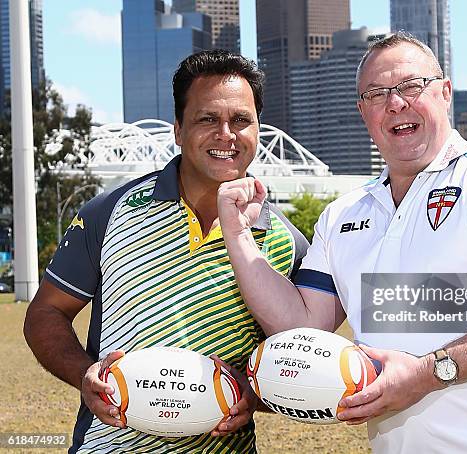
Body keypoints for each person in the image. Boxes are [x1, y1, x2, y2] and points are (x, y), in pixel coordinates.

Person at [217, 32, 467, 453]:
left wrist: (426, 373)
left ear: (444, 93)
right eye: (377, 93)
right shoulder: (343, 214)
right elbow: (302, 327)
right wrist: (238, 234)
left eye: (410, 86)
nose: (396, 102)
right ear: (362, 111)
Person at [24, 49, 308, 453]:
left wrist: (253, 393)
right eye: (207, 119)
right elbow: (45, 314)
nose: (226, 134)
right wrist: (86, 374)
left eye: (241, 120)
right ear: (177, 129)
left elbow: (300, 359)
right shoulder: (109, 212)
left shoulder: (285, 240)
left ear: (258, 129)